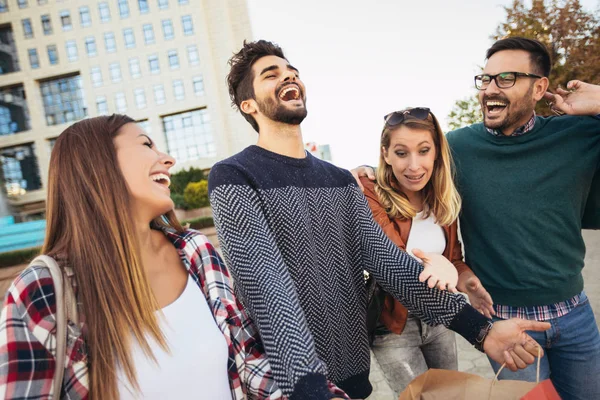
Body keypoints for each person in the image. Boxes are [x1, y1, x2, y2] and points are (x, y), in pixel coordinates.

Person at [208, 39, 550, 400]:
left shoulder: (339, 180)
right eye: (270, 74)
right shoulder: (234, 176)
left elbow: (392, 265)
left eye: (292, 71)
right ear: (249, 104)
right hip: (292, 387)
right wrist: (309, 388)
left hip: (353, 376)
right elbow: (268, 290)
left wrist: (481, 329)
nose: (288, 76)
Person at [353, 37, 600, 400]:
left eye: (506, 79)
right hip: (505, 321)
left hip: (576, 314)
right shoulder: (456, 148)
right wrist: (365, 172)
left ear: (539, 87)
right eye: (485, 79)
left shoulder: (578, 135)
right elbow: (411, 163)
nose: (489, 90)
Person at [0, 115, 312, 399]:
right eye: (146, 144)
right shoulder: (40, 290)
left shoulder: (196, 252)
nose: (168, 159)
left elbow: (251, 366)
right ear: (98, 164)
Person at [361, 107, 494, 396]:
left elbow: (454, 260)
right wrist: (441, 267)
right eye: (401, 153)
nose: (413, 165)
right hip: (394, 327)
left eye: (423, 151)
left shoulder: (442, 201)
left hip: (441, 317)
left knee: (450, 394)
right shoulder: (371, 192)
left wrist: (468, 282)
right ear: (385, 154)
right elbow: (391, 259)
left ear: (436, 153)